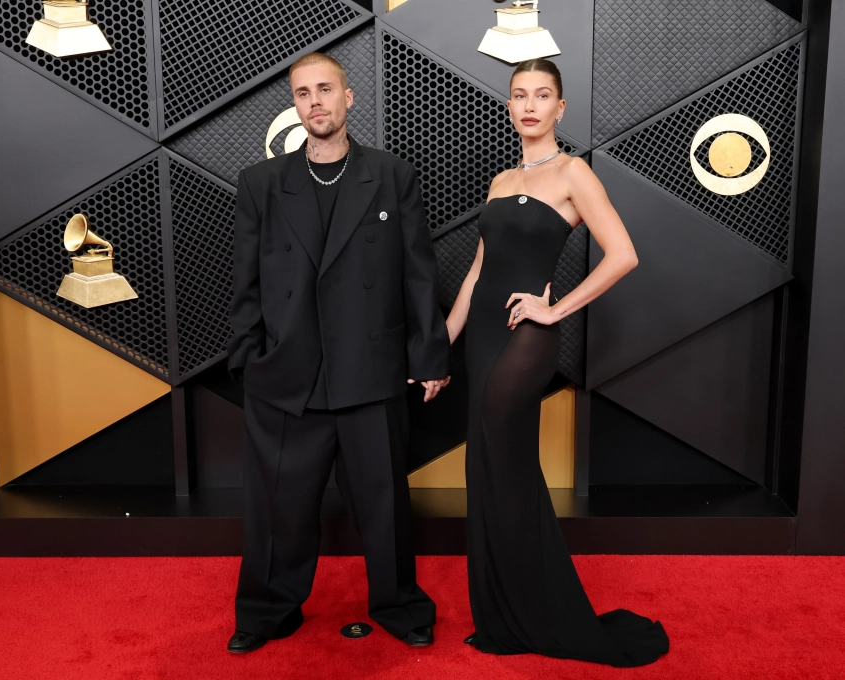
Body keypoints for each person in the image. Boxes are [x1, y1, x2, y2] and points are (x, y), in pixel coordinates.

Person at [445, 58, 669, 666]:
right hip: (481, 335)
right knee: (485, 466)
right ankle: (506, 613)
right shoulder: (499, 181)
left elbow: (623, 254)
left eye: (542, 95)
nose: (529, 105)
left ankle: (537, 613)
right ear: (509, 105)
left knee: (506, 464)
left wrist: (555, 310)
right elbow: (477, 273)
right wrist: (441, 344)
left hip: (525, 338)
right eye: (520, 95)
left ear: (560, 107)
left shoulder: (574, 172)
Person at [226, 52, 451, 654]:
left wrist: (429, 355)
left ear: (348, 98)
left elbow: (418, 274)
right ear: (295, 105)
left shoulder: (392, 175)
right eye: (303, 93)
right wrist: (249, 358)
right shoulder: (261, 183)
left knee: (385, 505)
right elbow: (245, 281)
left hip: (370, 371)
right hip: (286, 376)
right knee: (278, 509)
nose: (315, 102)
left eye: (325, 89)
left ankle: (400, 606)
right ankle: (266, 612)